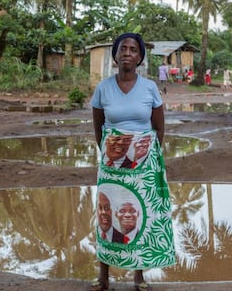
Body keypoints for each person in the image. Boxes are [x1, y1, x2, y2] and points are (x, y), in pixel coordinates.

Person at [90, 33, 175, 291]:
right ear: (115, 55)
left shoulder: (149, 88)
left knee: (140, 215)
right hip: (112, 165)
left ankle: (138, 277)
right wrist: (114, 155)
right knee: (107, 215)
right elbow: (99, 128)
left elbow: (159, 128)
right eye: (123, 49)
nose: (128, 52)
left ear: (140, 57)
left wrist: (145, 157)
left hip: (143, 166)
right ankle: (103, 278)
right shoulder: (103, 88)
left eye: (133, 49)